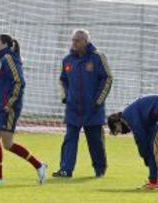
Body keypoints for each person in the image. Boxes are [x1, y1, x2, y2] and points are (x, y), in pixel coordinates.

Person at [0, 34, 47, 186]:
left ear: (4, 44)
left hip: (7, 108)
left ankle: (39, 165)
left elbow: (19, 82)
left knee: (8, 144)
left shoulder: (9, 59)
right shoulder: (0, 60)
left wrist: (9, 104)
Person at [53, 29, 112, 178]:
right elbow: (62, 80)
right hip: (73, 108)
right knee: (69, 139)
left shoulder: (98, 58)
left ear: (85, 42)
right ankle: (65, 169)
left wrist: (98, 101)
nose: (74, 43)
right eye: (73, 40)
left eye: (77, 41)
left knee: (95, 141)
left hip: (93, 109)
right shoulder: (67, 60)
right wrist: (65, 97)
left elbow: (107, 79)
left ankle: (100, 170)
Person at [107, 95, 158, 190]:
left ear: (117, 123)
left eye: (118, 130)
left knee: (156, 145)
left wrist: (145, 155)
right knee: (153, 146)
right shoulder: (134, 115)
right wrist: (148, 156)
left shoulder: (128, 115)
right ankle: (153, 182)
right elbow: (146, 141)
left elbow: (140, 137)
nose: (121, 133)